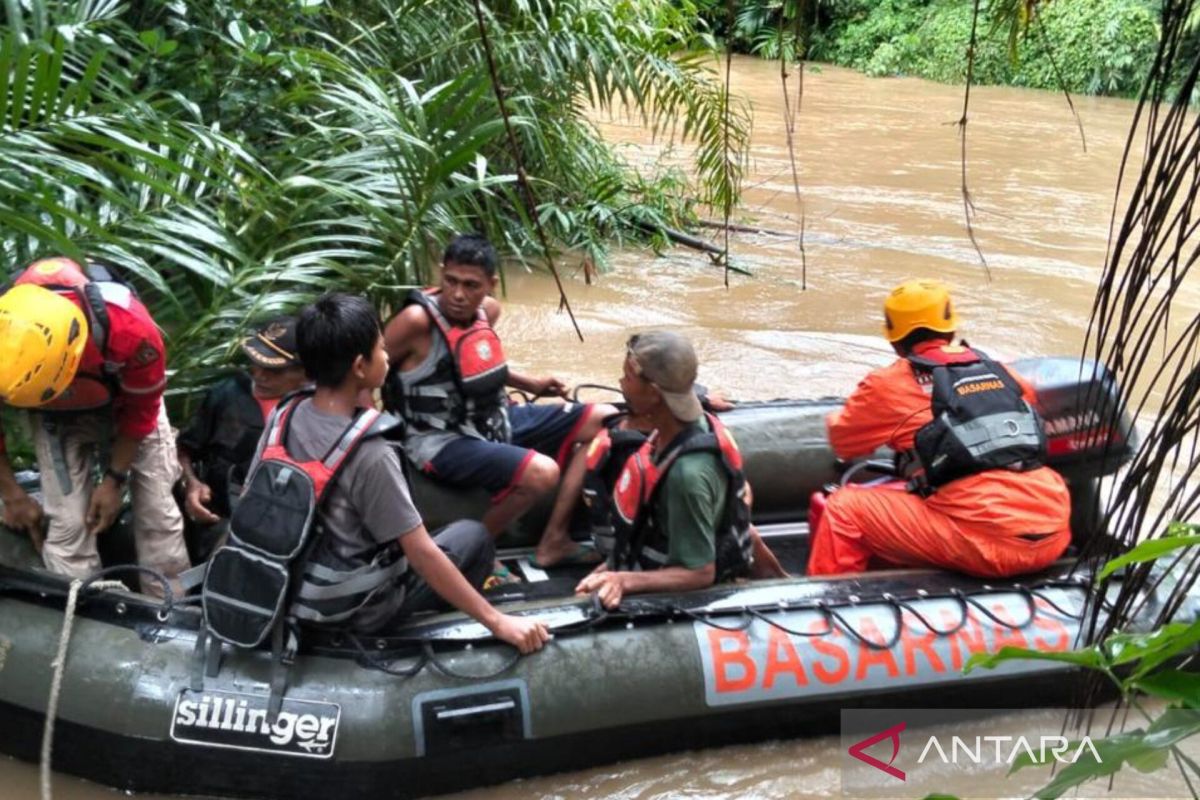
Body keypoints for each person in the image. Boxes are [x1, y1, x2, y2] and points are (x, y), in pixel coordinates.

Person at [235, 292, 549, 649]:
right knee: (473, 536)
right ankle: (432, 630)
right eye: (381, 349)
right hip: (353, 610)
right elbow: (421, 553)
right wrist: (498, 622)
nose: (387, 356)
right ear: (359, 367)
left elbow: (249, 501)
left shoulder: (283, 415)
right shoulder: (372, 452)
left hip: (288, 585)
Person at [807, 279, 1071, 578]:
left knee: (845, 509)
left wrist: (834, 417)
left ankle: (827, 608)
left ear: (895, 340)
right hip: (1053, 533)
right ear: (951, 328)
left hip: (988, 545)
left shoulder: (886, 385)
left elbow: (843, 442)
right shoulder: (1002, 371)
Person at [383, 234, 616, 571]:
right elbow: (368, 372)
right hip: (439, 441)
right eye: (450, 281)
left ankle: (554, 540)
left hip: (494, 420)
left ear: (490, 285)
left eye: (471, 285)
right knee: (542, 473)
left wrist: (530, 383)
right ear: (441, 273)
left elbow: (475, 362)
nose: (459, 294)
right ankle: (476, 549)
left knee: (604, 419)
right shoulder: (415, 322)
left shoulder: (488, 312)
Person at [0, 256, 190, 597]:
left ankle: (169, 610)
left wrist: (114, 480)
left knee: (158, 515)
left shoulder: (128, 328)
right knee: (68, 527)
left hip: (128, 406)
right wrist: (12, 495)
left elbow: (142, 412)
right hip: (58, 421)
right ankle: (78, 612)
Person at [574, 331, 784, 610]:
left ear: (654, 393)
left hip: (691, 584)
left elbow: (699, 572)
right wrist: (615, 563)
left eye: (628, 377)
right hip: (659, 548)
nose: (621, 383)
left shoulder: (688, 475)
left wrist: (625, 580)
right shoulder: (674, 430)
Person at [176, 316, 308, 562]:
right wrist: (192, 485)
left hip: (291, 538)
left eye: (272, 369)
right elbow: (184, 449)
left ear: (306, 372)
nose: (258, 374)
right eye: (254, 364)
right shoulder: (227, 395)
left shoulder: (318, 412)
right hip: (221, 527)